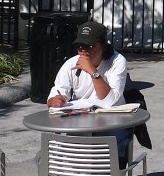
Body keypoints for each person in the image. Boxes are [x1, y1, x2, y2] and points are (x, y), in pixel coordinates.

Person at [47, 20, 132, 161]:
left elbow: (110, 101)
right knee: (59, 147)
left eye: (89, 46)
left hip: (111, 122)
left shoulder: (117, 62)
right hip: (81, 122)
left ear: (103, 46)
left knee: (106, 153)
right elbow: (57, 92)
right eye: (80, 47)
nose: (83, 51)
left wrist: (92, 71)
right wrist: (54, 101)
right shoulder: (70, 64)